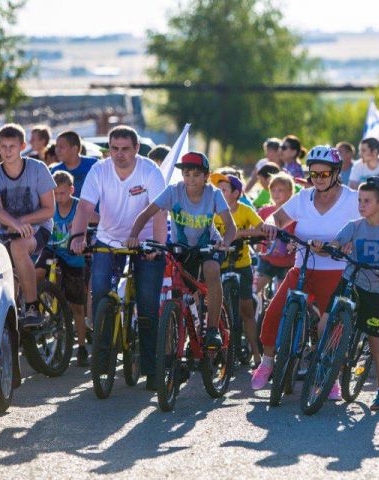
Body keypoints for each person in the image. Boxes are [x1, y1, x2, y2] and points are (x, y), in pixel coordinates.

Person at [251, 146, 359, 396]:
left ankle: (329, 376)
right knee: (274, 311)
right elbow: (276, 219)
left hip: (336, 273)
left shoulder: (352, 199)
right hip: (302, 269)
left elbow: (367, 224)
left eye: (324, 174)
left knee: (328, 327)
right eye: (314, 174)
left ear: (336, 173)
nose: (318, 179)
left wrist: (348, 243)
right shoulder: (303, 197)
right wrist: (269, 226)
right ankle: (267, 363)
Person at [70, 125, 166, 391]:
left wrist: (157, 245)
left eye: (125, 149)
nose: (119, 154)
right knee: (100, 292)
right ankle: (103, 358)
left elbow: (159, 212)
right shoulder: (99, 170)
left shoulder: (149, 171)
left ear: (136, 149)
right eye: (114, 149)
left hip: (146, 242)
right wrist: (77, 236)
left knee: (147, 307)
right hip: (109, 240)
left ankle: (150, 369)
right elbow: (85, 207)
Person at [125, 151, 237, 353]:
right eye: (186, 174)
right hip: (182, 250)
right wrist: (133, 236)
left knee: (211, 269)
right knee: (177, 293)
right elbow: (145, 215)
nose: (191, 179)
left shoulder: (214, 194)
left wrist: (225, 242)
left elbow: (231, 227)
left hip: (209, 246)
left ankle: (212, 330)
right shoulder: (173, 191)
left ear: (206, 176)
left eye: (196, 174)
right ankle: (174, 347)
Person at [320, 176, 379, 410]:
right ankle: (326, 373)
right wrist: (328, 247)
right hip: (350, 282)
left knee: (376, 342)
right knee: (326, 325)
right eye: (360, 200)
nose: (361, 205)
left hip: (376, 291)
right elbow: (337, 243)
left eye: (367, 201)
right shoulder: (354, 226)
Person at [0, 124, 56, 328]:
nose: (8, 151)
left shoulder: (38, 169)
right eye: (4, 146)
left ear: (23, 146)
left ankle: (32, 307)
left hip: (39, 228)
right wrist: (14, 224)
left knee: (19, 247)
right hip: (7, 231)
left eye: (12, 146)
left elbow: (49, 210)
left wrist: (22, 222)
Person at [36, 171, 97, 367]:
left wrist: (83, 222)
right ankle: (34, 308)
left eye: (62, 193)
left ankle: (80, 347)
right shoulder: (48, 205)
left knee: (77, 306)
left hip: (73, 255)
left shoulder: (79, 205)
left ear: (71, 190)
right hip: (51, 249)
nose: (58, 198)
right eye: (55, 194)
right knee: (35, 275)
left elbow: (97, 218)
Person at [210, 172, 265, 366]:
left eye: (224, 189)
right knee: (212, 308)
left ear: (236, 193)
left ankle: (257, 354)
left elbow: (262, 228)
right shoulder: (213, 208)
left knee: (246, 310)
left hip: (242, 265)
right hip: (219, 264)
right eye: (218, 189)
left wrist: (239, 233)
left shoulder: (244, 210)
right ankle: (212, 351)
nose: (219, 192)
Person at [256, 172, 296, 305]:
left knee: (281, 298)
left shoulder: (294, 215)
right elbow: (256, 230)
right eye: (273, 190)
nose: (276, 193)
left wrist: (293, 244)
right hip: (267, 260)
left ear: (290, 192)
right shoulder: (264, 212)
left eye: (280, 190)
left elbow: (298, 236)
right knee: (253, 290)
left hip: (286, 263)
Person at [51, 131, 98, 196]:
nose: (57, 150)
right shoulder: (55, 171)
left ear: (74, 149)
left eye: (61, 147)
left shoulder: (94, 165)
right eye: (56, 146)